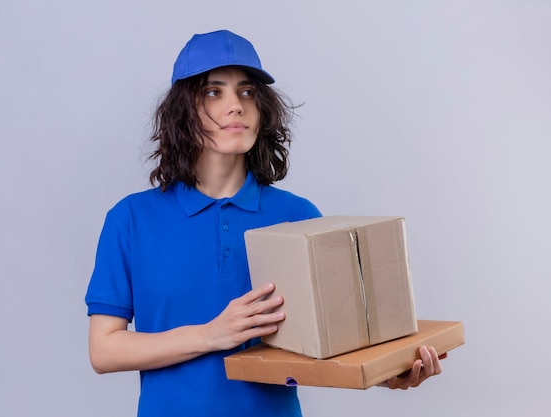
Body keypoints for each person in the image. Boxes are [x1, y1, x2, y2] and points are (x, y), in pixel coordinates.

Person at [85, 29, 443, 417]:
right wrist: (210, 335)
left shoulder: (298, 216)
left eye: (247, 92)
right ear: (182, 111)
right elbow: (104, 350)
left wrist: (392, 373)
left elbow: (339, 341)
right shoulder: (132, 220)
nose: (235, 106)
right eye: (213, 92)